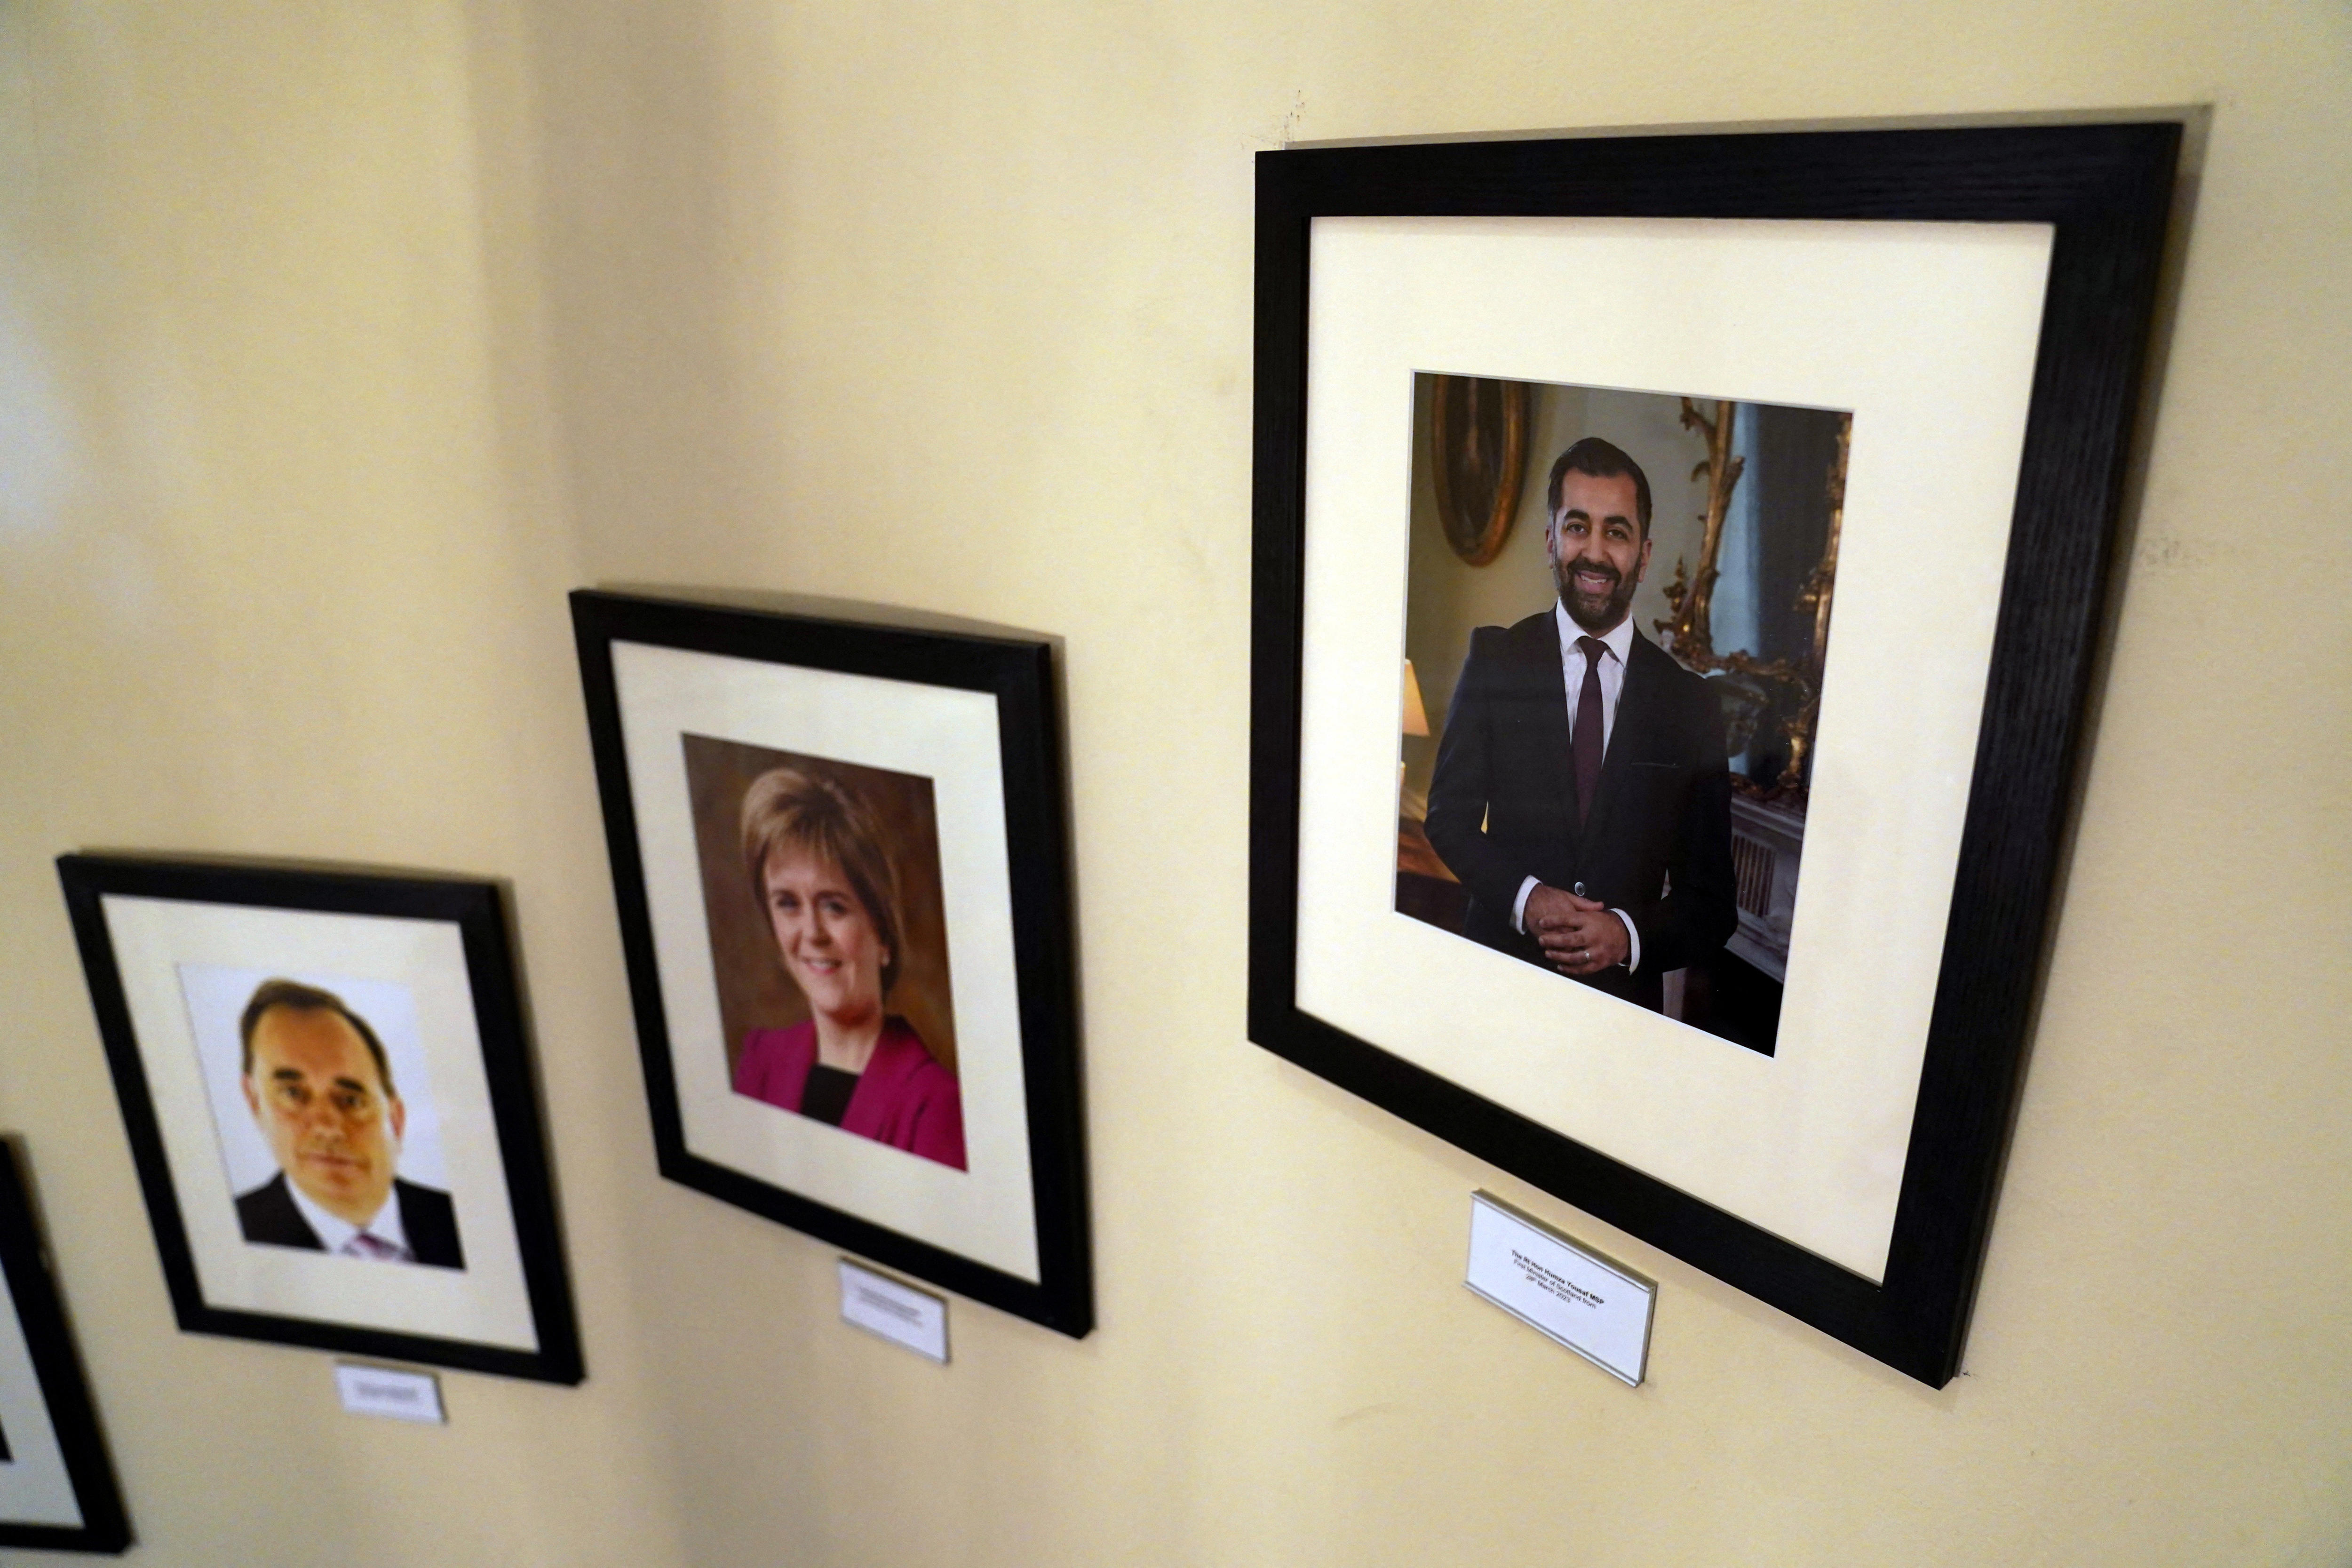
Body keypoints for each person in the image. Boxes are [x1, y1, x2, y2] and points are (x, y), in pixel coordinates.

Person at [1423, 436, 1738, 1011]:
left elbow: (1712, 903)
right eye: (1577, 527)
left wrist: (1624, 935)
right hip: (1493, 985)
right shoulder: (1495, 660)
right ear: (1550, 541)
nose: (1594, 552)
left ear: (1642, 555)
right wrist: (1527, 898)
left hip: (1617, 1013)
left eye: (1615, 532)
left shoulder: (1690, 704)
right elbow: (1448, 818)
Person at [731, 766, 967, 1170]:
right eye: (788, 903)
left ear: (883, 936)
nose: (811, 932)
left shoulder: (935, 1105)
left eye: (834, 906)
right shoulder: (761, 1060)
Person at [233, 979, 465, 1268]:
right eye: (293, 1094)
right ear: (255, 1102)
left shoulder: (468, 1221)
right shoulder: (228, 1237)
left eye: (351, 1100)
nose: (327, 1128)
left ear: (396, 1119)